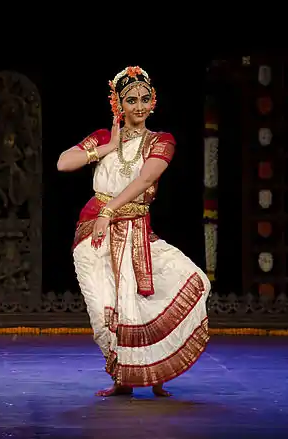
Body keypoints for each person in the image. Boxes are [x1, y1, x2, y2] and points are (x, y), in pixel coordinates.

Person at [57, 66, 211, 397]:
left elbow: (144, 180)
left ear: (152, 101)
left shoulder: (161, 141)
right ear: (119, 105)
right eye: (131, 100)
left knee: (155, 298)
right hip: (93, 233)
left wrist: (110, 211)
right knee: (103, 310)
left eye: (144, 99)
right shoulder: (103, 137)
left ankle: (154, 371)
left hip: (135, 229)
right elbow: (63, 163)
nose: (139, 107)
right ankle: (122, 378)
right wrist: (110, 146)